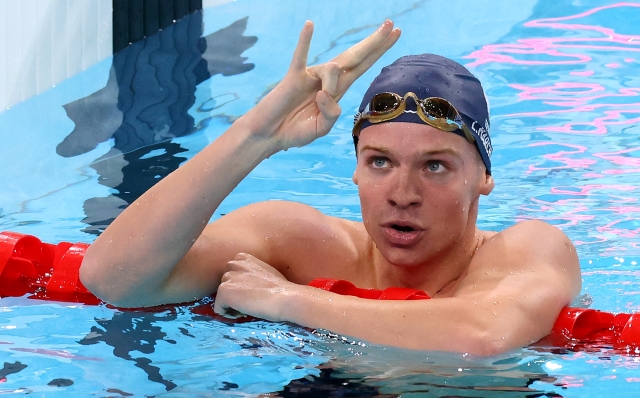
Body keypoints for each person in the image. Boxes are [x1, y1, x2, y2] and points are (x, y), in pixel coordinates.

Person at [80, 20, 581, 355]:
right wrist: (255, 136)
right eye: (380, 161)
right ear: (356, 172)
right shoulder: (299, 240)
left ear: (484, 178)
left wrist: (286, 299)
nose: (402, 192)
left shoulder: (530, 249)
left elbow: (482, 333)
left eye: (435, 167)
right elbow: (115, 279)